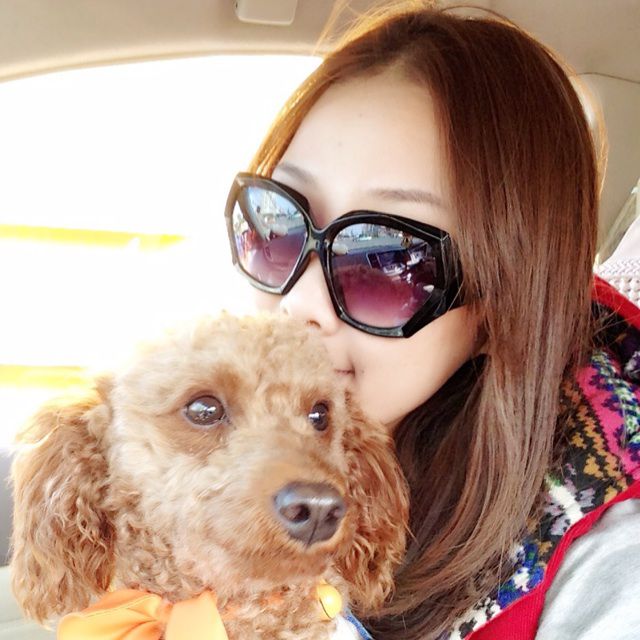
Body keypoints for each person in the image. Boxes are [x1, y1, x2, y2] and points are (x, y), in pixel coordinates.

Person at [224, 4, 640, 639]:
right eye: (277, 221)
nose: (299, 302)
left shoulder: (607, 572)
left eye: (386, 258)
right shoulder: (200, 451)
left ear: (499, 310)